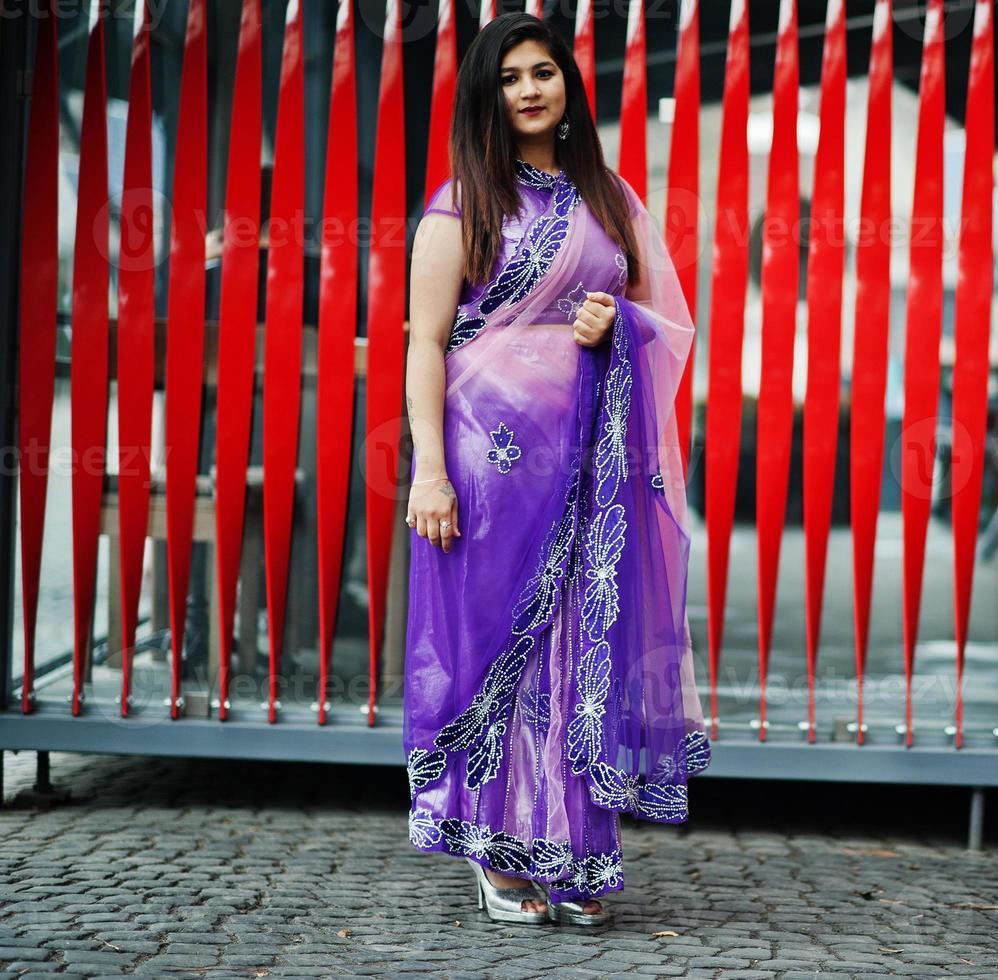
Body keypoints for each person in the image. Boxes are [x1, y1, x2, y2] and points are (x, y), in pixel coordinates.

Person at [400, 13, 711, 927]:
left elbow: (666, 324)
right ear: (487, 97)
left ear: (568, 86)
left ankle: (569, 849)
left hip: (587, 463)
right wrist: (427, 471)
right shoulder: (463, 205)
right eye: (510, 77)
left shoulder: (610, 199)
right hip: (485, 461)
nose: (531, 89)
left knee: (579, 650)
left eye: (545, 72)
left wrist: (616, 322)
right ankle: (494, 852)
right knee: (491, 649)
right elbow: (423, 343)